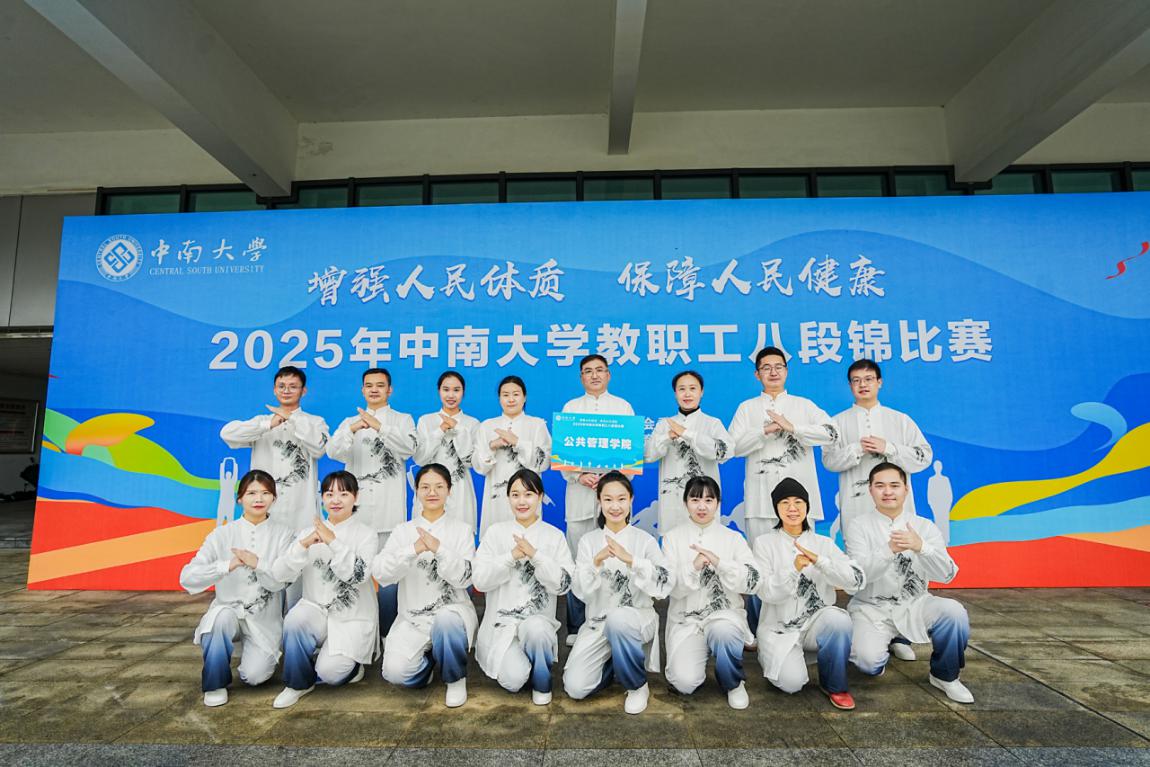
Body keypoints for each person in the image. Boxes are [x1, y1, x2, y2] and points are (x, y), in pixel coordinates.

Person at [729, 346, 836, 634]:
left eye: (778, 366)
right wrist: (763, 431)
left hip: (799, 505)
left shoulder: (804, 406)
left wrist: (793, 428)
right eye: (766, 367)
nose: (773, 372)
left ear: (787, 371)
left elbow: (831, 432)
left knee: (803, 560)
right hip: (761, 501)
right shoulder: (747, 408)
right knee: (760, 565)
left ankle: (807, 624)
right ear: (757, 374)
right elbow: (732, 447)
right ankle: (758, 628)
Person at [846, 463, 973, 704]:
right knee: (868, 663)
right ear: (870, 490)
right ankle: (889, 642)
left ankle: (945, 676)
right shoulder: (858, 526)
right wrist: (888, 550)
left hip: (915, 605)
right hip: (871, 608)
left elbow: (947, 574)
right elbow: (857, 576)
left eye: (894, 485)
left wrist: (921, 547)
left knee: (954, 613)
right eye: (880, 486)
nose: (887, 492)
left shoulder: (925, 526)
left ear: (906, 489)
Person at [180, 469, 295, 707]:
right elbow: (187, 577)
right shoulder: (222, 534)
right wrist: (226, 566)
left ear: (274, 498)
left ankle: (248, 648)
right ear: (240, 498)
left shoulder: (283, 535)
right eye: (251, 493)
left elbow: (281, 581)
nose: (259, 499)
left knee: (254, 676)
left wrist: (258, 564)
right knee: (220, 619)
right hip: (229, 611)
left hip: (263, 620)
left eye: (265, 493)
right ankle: (215, 683)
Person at [563, 471, 673, 714]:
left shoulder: (645, 541)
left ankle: (637, 685)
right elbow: (579, 590)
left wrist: (632, 560)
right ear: (599, 502)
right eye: (608, 499)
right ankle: (616, 662)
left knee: (620, 619)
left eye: (621, 499)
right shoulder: (588, 541)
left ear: (631, 500)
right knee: (575, 688)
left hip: (637, 619)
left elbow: (666, 582)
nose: (615, 506)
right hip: (598, 622)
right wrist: (596, 562)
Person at [270, 471, 380, 709]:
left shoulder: (367, 535)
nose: (336, 500)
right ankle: (297, 684)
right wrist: (302, 546)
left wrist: (333, 541)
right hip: (316, 609)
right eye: (329, 494)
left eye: (344, 494)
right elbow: (279, 574)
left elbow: (358, 576)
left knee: (330, 673)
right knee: (295, 620)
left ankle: (353, 668)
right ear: (322, 498)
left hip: (352, 616)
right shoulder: (307, 533)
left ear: (356, 497)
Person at [753, 477, 864, 710]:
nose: (792, 508)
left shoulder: (824, 543)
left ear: (807, 506)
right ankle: (772, 654)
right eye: (784, 503)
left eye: (798, 502)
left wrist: (821, 562)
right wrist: (793, 570)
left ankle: (835, 685)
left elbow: (855, 579)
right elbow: (765, 592)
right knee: (791, 684)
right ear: (776, 508)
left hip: (815, 625)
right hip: (779, 627)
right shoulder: (764, 543)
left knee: (839, 619)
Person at [373, 463, 477, 708]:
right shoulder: (403, 531)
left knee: (446, 619)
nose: (432, 492)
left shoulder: (461, 530)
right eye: (425, 487)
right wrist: (413, 549)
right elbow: (381, 572)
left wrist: (439, 549)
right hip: (413, 618)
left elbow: (465, 578)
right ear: (416, 491)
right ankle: (427, 667)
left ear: (449, 491)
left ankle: (455, 678)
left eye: (439, 487)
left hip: (451, 613)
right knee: (395, 673)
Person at [326, 367, 418, 639]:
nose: (374, 390)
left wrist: (380, 427)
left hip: (390, 513)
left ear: (390, 390)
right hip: (356, 517)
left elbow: (409, 449)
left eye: (380, 385)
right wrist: (353, 429)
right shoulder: (349, 422)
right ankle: (356, 633)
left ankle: (388, 635)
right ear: (362, 390)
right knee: (354, 573)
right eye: (369, 385)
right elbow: (333, 451)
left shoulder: (402, 420)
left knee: (389, 578)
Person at [473, 468, 574, 705]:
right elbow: (480, 580)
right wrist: (511, 557)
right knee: (514, 680)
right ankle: (526, 664)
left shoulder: (554, 536)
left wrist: (536, 556)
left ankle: (542, 682)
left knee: (537, 628)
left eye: (528, 494)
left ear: (540, 497)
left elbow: (564, 585)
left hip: (536, 624)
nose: (522, 501)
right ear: (508, 498)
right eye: (515, 495)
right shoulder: (495, 533)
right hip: (502, 625)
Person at [661, 476, 761, 710]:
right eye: (695, 500)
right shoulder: (672, 539)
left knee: (724, 631)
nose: (702, 506)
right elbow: (668, 586)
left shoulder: (733, 538)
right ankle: (702, 652)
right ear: (685, 503)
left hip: (723, 616)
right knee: (685, 683)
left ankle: (732, 682)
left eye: (709, 500)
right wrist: (693, 567)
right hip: (687, 620)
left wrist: (720, 563)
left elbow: (753, 581)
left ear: (718, 503)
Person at [559, 354, 635, 646]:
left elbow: (630, 454)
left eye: (599, 370)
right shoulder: (571, 408)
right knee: (579, 560)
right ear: (581, 377)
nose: (594, 375)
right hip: (579, 495)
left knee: (615, 555)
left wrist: (609, 480)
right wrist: (579, 475)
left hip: (613, 500)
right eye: (588, 371)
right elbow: (562, 455)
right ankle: (577, 625)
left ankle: (615, 616)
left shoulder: (622, 407)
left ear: (608, 375)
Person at [822, 360, 932, 540]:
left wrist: (889, 448)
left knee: (901, 550)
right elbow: (828, 461)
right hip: (856, 505)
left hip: (895, 507)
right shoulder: (836, 423)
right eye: (856, 380)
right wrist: (856, 449)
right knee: (859, 552)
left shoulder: (900, 420)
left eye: (868, 379)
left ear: (879, 382)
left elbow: (924, 456)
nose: (862, 385)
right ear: (850, 385)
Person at [220, 366, 329, 534]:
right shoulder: (262, 421)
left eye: (293, 386)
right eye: (281, 386)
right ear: (274, 390)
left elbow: (320, 449)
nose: (286, 391)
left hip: (301, 509)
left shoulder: (315, 422)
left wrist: (292, 419)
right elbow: (227, 434)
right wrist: (267, 425)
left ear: (303, 391)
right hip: (264, 507)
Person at [644, 370, 731, 537]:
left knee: (706, 542)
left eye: (693, 388)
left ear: (701, 392)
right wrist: (668, 436)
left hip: (703, 501)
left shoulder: (712, 423)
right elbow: (649, 455)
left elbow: (725, 452)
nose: (687, 394)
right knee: (672, 544)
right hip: (672, 501)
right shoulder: (664, 424)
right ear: (675, 393)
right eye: (682, 389)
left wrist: (687, 433)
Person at [472, 376, 552, 536]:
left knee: (528, 539)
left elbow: (544, 462)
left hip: (527, 496)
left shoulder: (537, 425)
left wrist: (518, 442)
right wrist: (492, 446)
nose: (511, 399)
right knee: (496, 539)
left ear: (524, 397)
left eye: (516, 394)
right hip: (496, 497)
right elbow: (479, 467)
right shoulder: (487, 426)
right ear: (499, 398)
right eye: (505, 395)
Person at [413, 370, 480, 535]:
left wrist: (458, 430)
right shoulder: (426, 421)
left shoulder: (472, 424)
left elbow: (471, 462)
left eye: (456, 390)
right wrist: (440, 430)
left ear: (463, 392)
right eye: (446, 389)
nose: (451, 395)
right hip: (430, 488)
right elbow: (420, 459)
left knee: (460, 537)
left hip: (460, 489)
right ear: (439, 391)